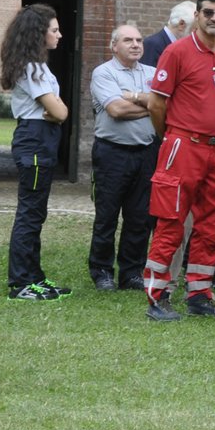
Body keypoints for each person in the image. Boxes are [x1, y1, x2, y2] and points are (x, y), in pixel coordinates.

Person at [141, 0, 215, 318]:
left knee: (212, 223)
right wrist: (168, 135)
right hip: (183, 145)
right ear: (196, 15)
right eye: (208, 12)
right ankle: (157, 297)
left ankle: (199, 294)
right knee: (172, 222)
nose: (214, 18)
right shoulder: (177, 51)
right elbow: (156, 103)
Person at [0, 3, 70, 301]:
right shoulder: (32, 68)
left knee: (36, 211)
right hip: (35, 138)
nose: (60, 35)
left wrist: (56, 112)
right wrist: (58, 110)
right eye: (54, 30)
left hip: (43, 137)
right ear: (39, 34)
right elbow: (59, 111)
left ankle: (35, 276)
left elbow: (56, 111)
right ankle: (20, 283)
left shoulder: (38, 67)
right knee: (30, 213)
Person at [88, 24, 157, 291]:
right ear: (114, 45)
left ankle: (132, 272)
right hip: (112, 153)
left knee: (140, 217)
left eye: (139, 40)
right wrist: (149, 105)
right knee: (107, 215)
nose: (136, 44)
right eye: (128, 40)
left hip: (146, 152)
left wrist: (137, 98)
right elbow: (116, 109)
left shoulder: (152, 73)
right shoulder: (103, 73)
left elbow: (165, 103)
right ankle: (102, 270)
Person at [142, 0, 194, 67]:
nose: (196, 34)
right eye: (194, 29)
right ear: (181, 24)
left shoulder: (181, 46)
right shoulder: (152, 44)